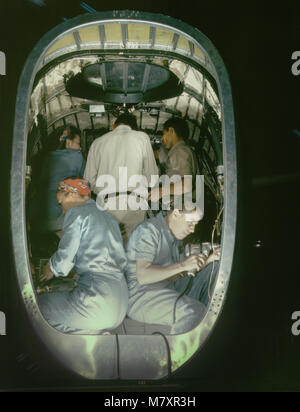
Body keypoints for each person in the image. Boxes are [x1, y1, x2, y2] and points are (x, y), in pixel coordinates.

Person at [38, 177, 128, 334]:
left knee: (36, 308)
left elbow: (65, 257)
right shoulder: (108, 217)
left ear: (71, 195)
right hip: (120, 302)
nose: (62, 209)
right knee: (69, 325)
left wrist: (49, 268)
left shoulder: (76, 212)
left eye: (61, 202)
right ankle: (94, 338)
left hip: (97, 298)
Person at [125, 201, 220, 335]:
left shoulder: (174, 238)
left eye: (195, 224)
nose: (192, 229)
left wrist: (209, 260)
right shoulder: (148, 230)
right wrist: (183, 265)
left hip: (167, 287)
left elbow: (172, 276)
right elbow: (143, 276)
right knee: (192, 311)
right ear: (175, 214)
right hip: (140, 295)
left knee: (214, 269)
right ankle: (177, 354)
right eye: (190, 222)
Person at [84, 113, 158, 241]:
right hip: (135, 202)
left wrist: (102, 191)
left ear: (113, 126)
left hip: (107, 203)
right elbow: (152, 178)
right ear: (134, 128)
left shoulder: (98, 142)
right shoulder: (142, 138)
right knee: (134, 252)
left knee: (109, 251)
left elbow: (88, 181)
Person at [30, 125, 86, 234]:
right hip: (59, 218)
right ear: (68, 143)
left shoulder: (45, 157)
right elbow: (88, 181)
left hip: (38, 217)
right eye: (78, 144)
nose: (80, 148)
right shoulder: (77, 156)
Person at [149, 117, 199, 208]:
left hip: (181, 207)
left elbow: (187, 185)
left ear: (171, 131)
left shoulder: (180, 152)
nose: (162, 139)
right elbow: (158, 156)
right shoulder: (176, 152)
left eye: (164, 134)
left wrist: (161, 192)